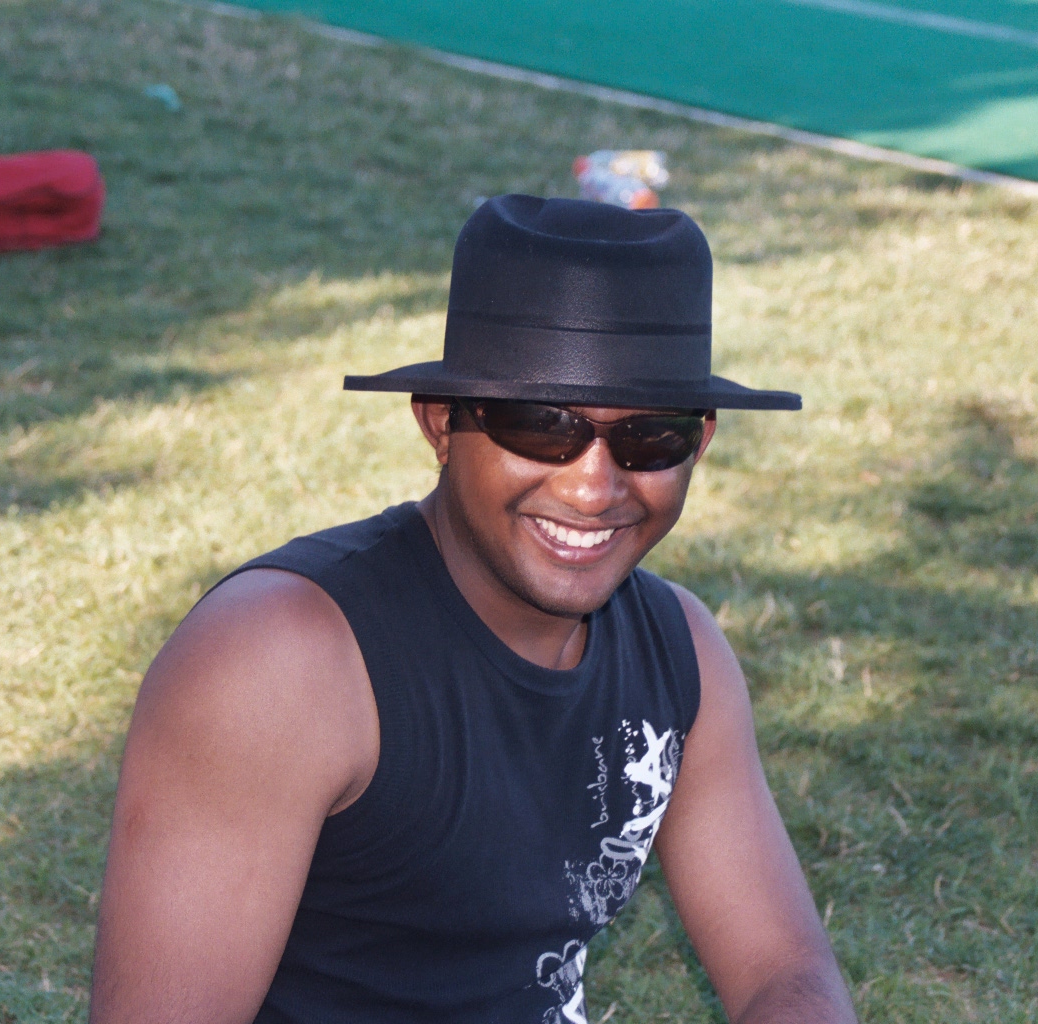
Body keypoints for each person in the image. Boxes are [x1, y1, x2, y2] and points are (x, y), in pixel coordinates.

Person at [88, 195, 860, 1024]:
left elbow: (783, 972)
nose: (593, 487)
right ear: (441, 425)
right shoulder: (278, 660)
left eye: (649, 437)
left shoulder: (682, 651)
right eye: (542, 426)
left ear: (698, 444)